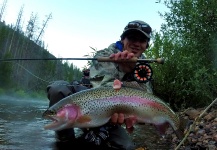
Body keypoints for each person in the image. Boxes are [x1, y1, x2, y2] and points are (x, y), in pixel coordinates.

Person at [46, 20, 153, 150]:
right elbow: (102, 90)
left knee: (126, 147)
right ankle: (65, 141)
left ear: (146, 45)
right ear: (123, 39)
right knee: (58, 89)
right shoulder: (105, 55)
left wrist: (130, 71)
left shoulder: (145, 66)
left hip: (112, 116)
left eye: (141, 40)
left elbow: (147, 100)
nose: (136, 43)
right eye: (132, 38)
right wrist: (124, 71)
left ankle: (96, 130)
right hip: (88, 100)